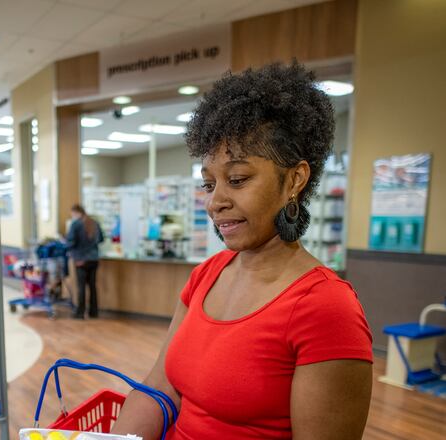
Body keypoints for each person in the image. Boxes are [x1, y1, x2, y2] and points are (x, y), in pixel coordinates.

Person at [111, 62, 373, 439]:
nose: (215, 202)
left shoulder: (326, 308)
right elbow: (159, 388)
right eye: (208, 184)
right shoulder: (207, 275)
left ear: (295, 180)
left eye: (237, 180)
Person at [66, 204, 104, 319]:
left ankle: (80, 312)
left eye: (72, 214)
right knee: (92, 286)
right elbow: (101, 239)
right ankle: (94, 312)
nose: (72, 216)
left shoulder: (76, 224)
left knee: (81, 286)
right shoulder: (94, 223)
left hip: (81, 260)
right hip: (94, 259)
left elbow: (71, 242)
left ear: (76, 212)